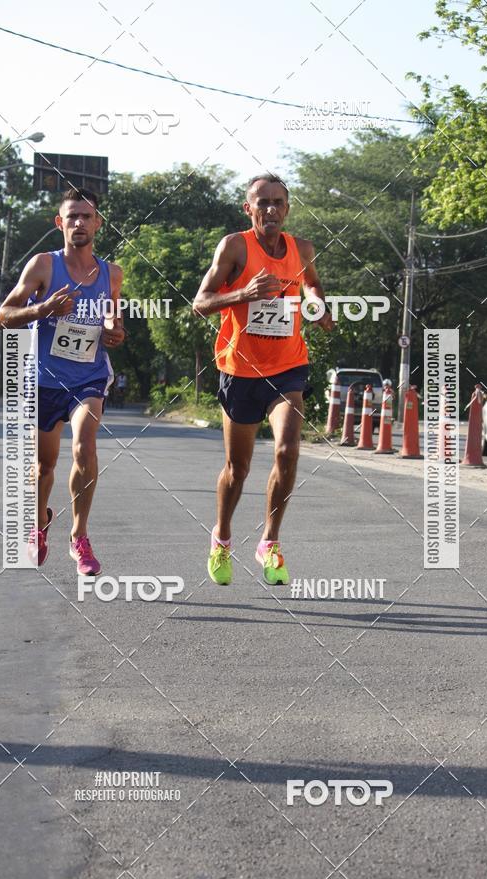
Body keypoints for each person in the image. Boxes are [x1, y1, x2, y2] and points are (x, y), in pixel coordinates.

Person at [193, 174, 333, 586]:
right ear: (248, 208)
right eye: (262, 202)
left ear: (287, 208)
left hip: (288, 366)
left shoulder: (301, 249)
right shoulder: (235, 246)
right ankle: (221, 536)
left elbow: (312, 286)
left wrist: (317, 306)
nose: (270, 209)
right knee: (238, 469)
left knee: (288, 449)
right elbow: (200, 303)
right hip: (240, 370)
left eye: (278, 202)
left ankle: (269, 542)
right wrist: (243, 294)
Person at [0, 188, 125, 575]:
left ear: (97, 223)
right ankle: (39, 524)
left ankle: (79, 536)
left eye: (87, 216)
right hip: (44, 379)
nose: (79, 223)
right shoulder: (43, 267)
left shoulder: (111, 274)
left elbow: (114, 324)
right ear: (60, 223)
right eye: (72, 216)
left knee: (85, 450)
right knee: (43, 467)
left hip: (89, 376)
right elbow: (4, 315)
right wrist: (43, 308)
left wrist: (116, 333)